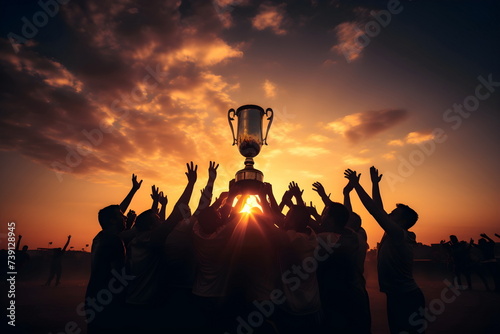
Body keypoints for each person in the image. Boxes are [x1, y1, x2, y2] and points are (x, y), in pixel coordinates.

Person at [344, 167, 425, 334]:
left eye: (393, 213)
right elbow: (379, 209)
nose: (388, 214)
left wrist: (357, 185)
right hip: (398, 296)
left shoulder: (398, 235)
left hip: (406, 298)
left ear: (401, 221)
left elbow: (375, 212)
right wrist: (375, 184)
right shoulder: (394, 233)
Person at [85, 174, 142, 333]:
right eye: (121, 217)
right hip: (107, 301)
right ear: (112, 221)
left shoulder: (100, 237)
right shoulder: (114, 241)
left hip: (93, 297)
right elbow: (119, 275)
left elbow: (117, 211)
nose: (125, 218)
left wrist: (133, 190)